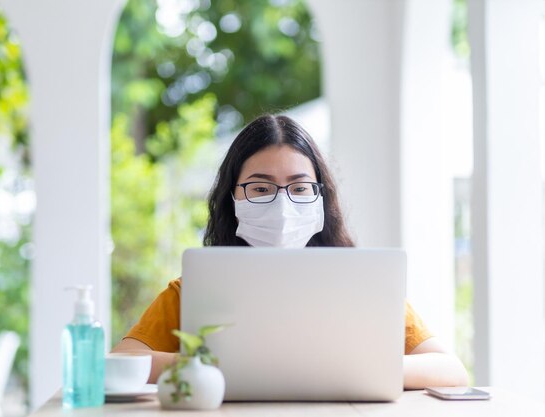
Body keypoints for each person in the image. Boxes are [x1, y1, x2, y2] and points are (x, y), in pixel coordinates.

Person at [112, 114, 469, 389]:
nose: (283, 204)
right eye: (261, 187)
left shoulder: (361, 284)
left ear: (321, 199)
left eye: (299, 188)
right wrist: (207, 367)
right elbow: (119, 363)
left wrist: (345, 368)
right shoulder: (194, 290)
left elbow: (449, 369)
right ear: (232, 198)